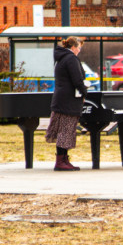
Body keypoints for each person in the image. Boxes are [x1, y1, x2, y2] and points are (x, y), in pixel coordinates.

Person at [45, 36, 89, 172]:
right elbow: (77, 80)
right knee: (66, 130)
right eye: (79, 48)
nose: (79, 51)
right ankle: (61, 161)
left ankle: (63, 159)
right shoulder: (71, 58)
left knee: (63, 131)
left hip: (61, 99)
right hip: (68, 101)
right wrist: (84, 91)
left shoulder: (62, 58)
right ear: (73, 47)